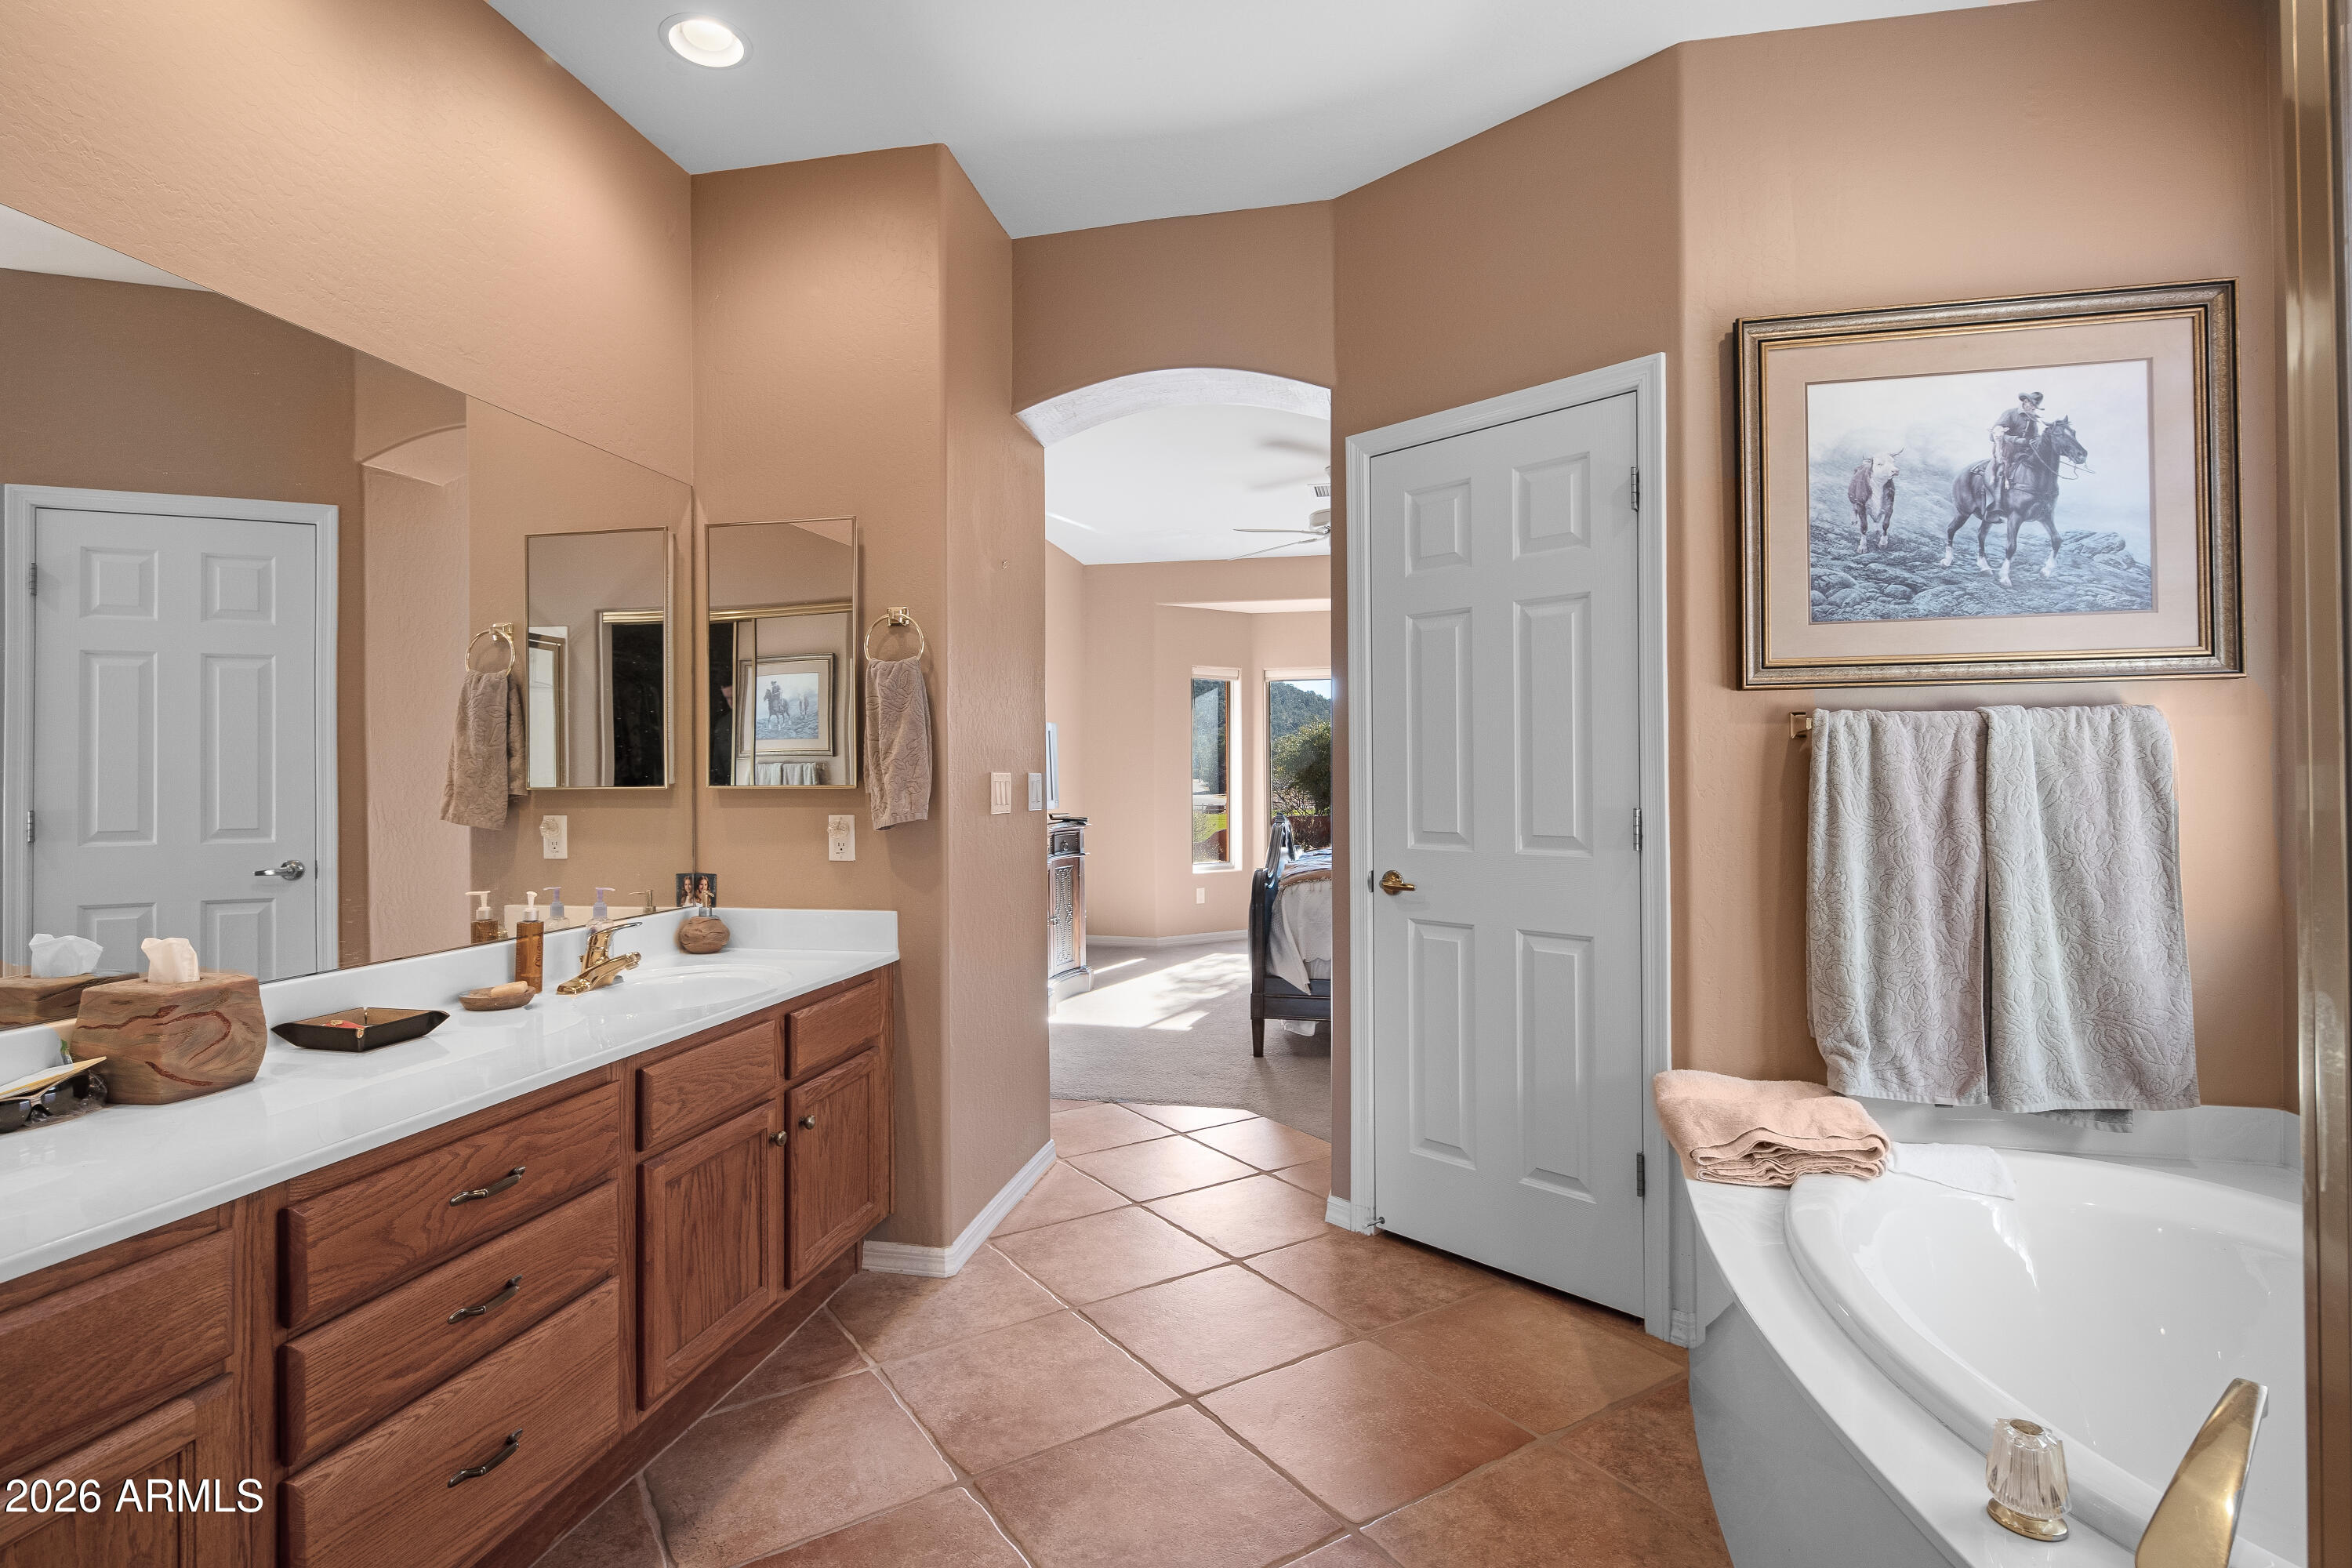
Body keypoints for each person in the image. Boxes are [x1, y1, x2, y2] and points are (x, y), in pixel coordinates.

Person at [1987, 391, 2045, 514]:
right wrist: (2016, 440)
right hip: (2006, 451)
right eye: (2032, 405)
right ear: (2025, 402)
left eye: (2036, 406)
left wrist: (2039, 441)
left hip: (2025, 452)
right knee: (2002, 472)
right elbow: (1993, 435)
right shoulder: (2010, 414)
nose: (2034, 408)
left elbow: (2035, 435)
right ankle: (1997, 506)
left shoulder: (2032, 418)